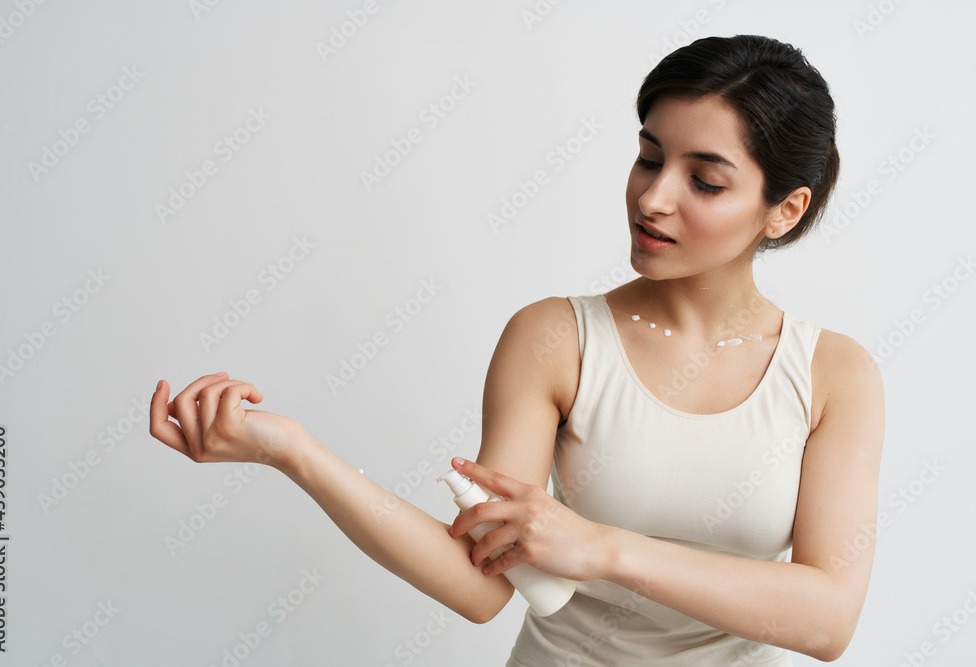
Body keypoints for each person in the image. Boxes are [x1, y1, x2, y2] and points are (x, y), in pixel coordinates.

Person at [150, 34, 884, 665]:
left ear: (785, 209)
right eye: (647, 159)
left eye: (705, 180)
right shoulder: (554, 338)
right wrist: (294, 450)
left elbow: (827, 617)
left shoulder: (834, 375)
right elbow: (478, 584)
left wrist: (599, 547)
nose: (654, 198)